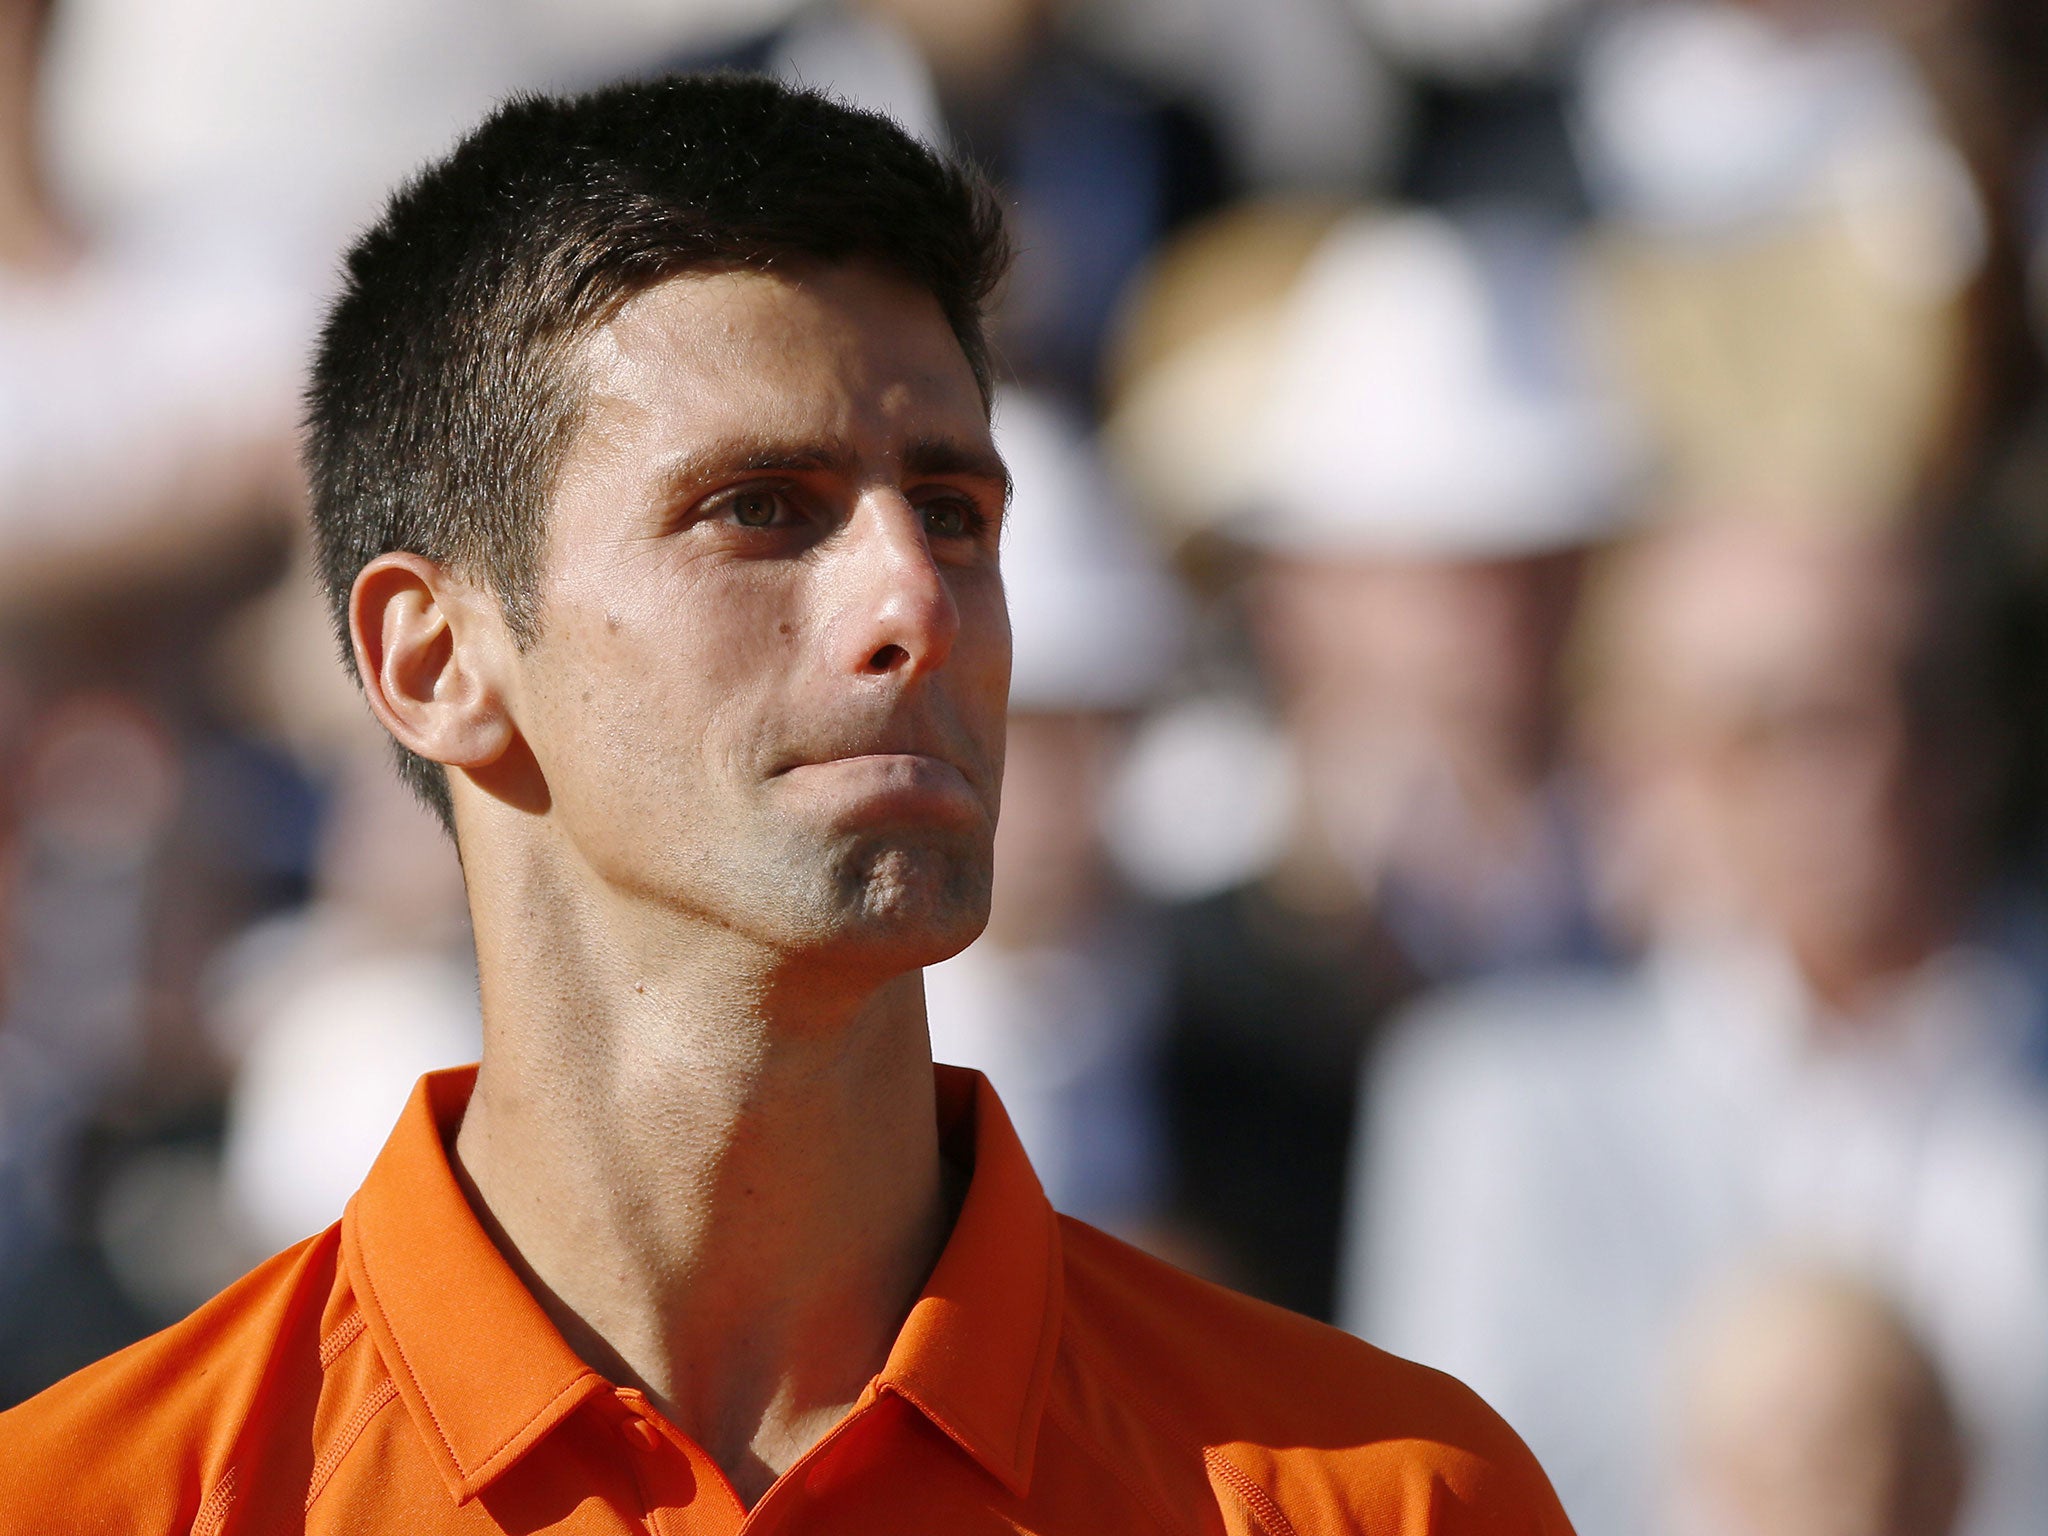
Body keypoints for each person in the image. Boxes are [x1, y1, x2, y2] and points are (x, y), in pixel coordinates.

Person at [0, 74, 1573, 1534]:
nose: (916, 603)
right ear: (435, 662)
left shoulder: (1382, 1499)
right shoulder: (98, 1505)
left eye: (954, 514)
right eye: (761, 510)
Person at [1342, 511, 2048, 1536]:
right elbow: (1435, 1502)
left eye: (1922, 693)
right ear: (1648, 758)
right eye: (1796, 722)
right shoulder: (1498, 1108)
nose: (1877, 764)